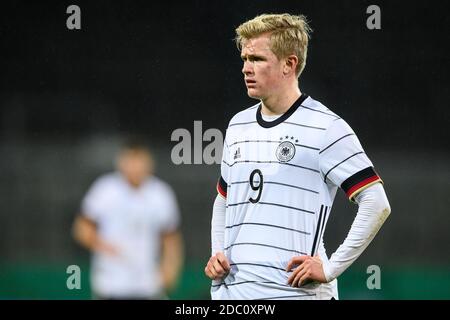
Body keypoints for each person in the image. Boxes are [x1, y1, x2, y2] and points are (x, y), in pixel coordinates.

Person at [204, 13, 391, 300]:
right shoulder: (238, 125)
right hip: (234, 296)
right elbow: (224, 199)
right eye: (244, 58)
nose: (245, 68)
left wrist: (330, 269)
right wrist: (218, 251)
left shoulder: (326, 127)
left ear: (289, 64)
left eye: (257, 59)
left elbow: (377, 202)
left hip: (295, 294)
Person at [73, 139, 183, 299]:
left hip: (148, 285)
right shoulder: (104, 189)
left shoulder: (161, 194)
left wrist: (170, 270)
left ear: (149, 163)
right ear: (121, 162)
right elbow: (81, 229)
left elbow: (171, 239)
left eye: (139, 161)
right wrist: (105, 247)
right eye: (131, 161)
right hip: (110, 285)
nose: (135, 167)